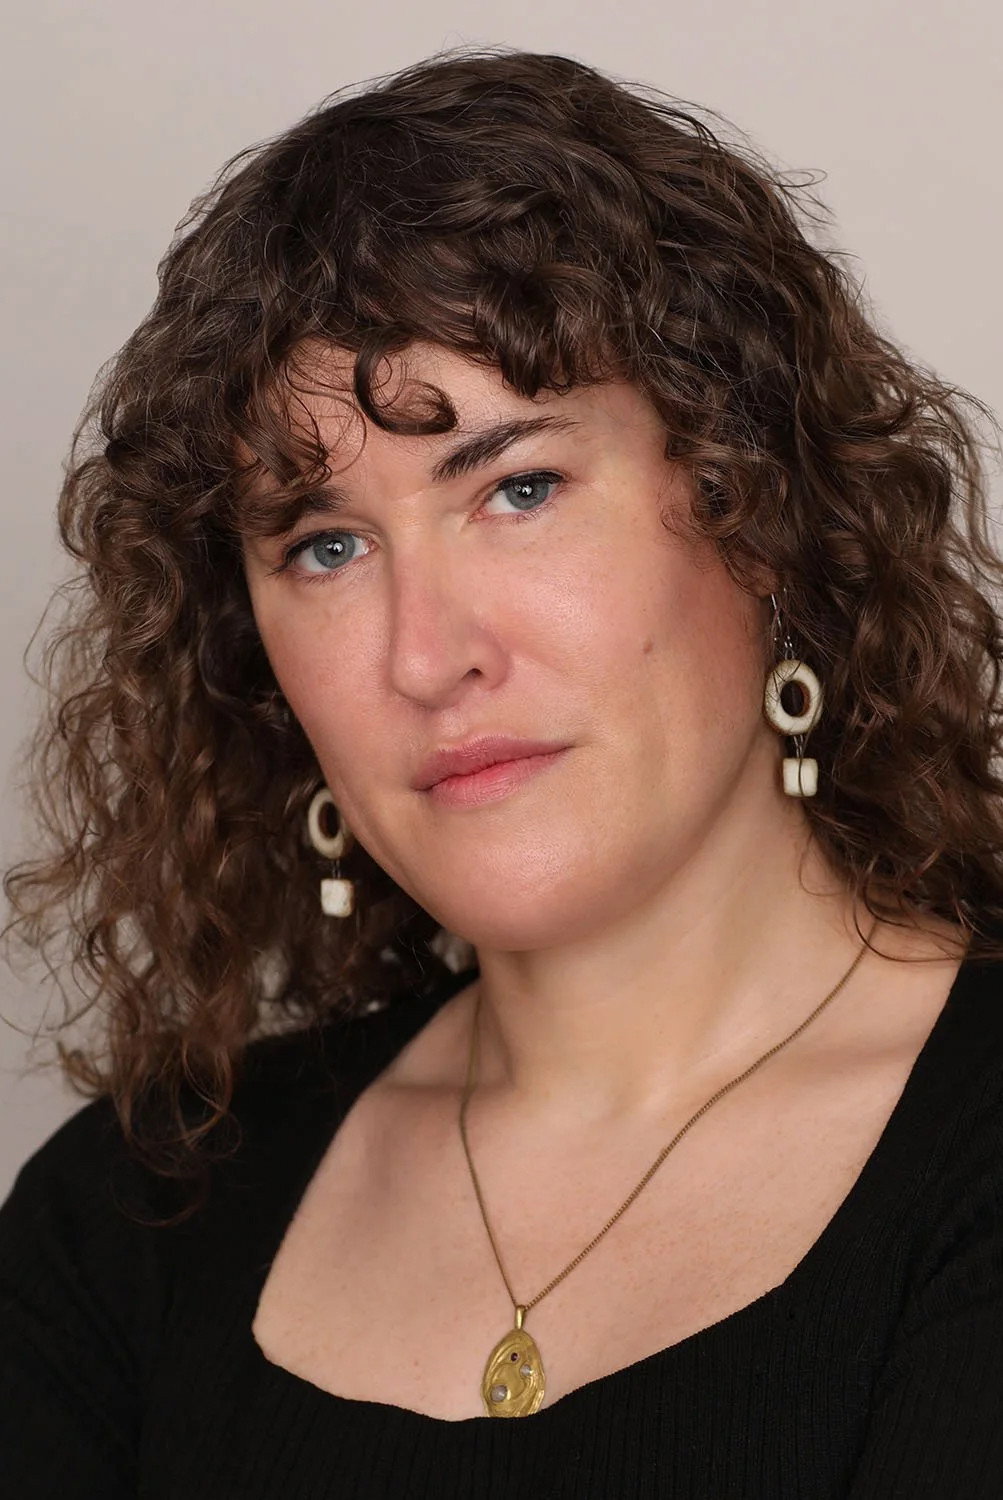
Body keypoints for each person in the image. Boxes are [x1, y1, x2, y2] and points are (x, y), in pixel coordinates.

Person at [2, 42, 1003, 1499]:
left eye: (518, 488)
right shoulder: (128, 1222)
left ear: (761, 514)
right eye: (326, 547)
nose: (426, 656)